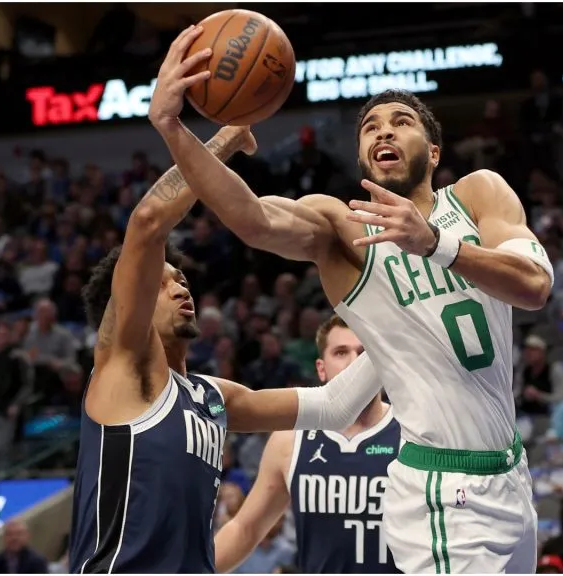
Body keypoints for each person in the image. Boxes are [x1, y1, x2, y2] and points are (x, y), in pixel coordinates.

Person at [149, 32, 553, 574]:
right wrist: (174, 129)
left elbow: (534, 286)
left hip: (510, 472)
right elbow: (251, 218)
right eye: (370, 128)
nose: (384, 129)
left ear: (433, 153)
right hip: (440, 490)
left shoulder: (479, 195)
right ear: (363, 155)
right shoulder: (341, 230)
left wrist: (435, 243)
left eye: (401, 122)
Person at [69, 26, 383, 574]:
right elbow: (146, 224)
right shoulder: (125, 368)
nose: (181, 284)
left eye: (181, 277)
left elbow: (334, 406)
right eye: (166, 282)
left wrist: (400, 322)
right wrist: (212, 139)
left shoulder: (212, 398)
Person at [215, 315, 400, 574]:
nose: (354, 363)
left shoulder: (412, 432)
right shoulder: (290, 439)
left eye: (364, 352)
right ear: (321, 368)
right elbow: (246, 528)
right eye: (341, 352)